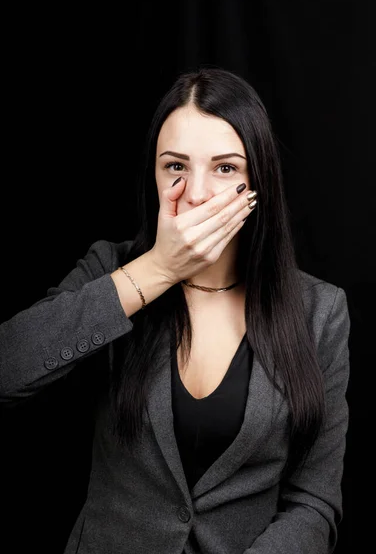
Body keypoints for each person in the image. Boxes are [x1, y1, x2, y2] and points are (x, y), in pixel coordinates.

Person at [0, 66, 350, 554]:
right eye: (176, 167)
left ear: (257, 182)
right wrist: (159, 269)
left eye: (225, 168)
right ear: (155, 174)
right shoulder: (113, 269)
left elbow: (313, 502)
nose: (198, 192)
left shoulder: (320, 311)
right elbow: (7, 369)